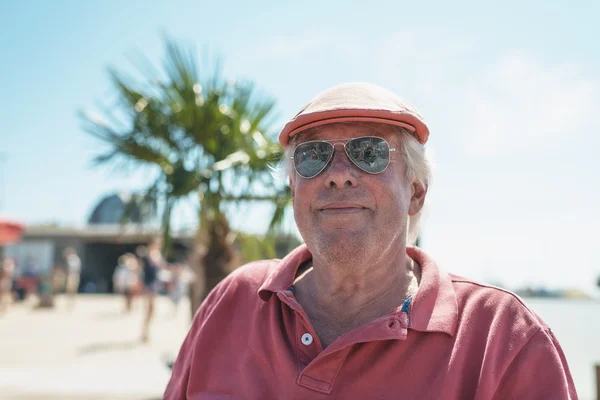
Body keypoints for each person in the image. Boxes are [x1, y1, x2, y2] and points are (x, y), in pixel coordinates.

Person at [164, 82, 578, 399]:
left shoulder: (503, 337)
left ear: (416, 192)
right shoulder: (233, 302)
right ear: (293, 190)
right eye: (313, 155)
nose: (338, 173)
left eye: (370, 153)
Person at [138, 238, 165, 342]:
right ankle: (145, 333)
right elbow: (142, 270)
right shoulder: (148, 255)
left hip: (154, 284)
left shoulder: (157, 255)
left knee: (152, 310)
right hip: (148, 285)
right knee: (149, 309)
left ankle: (146, 332)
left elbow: (162, 267)